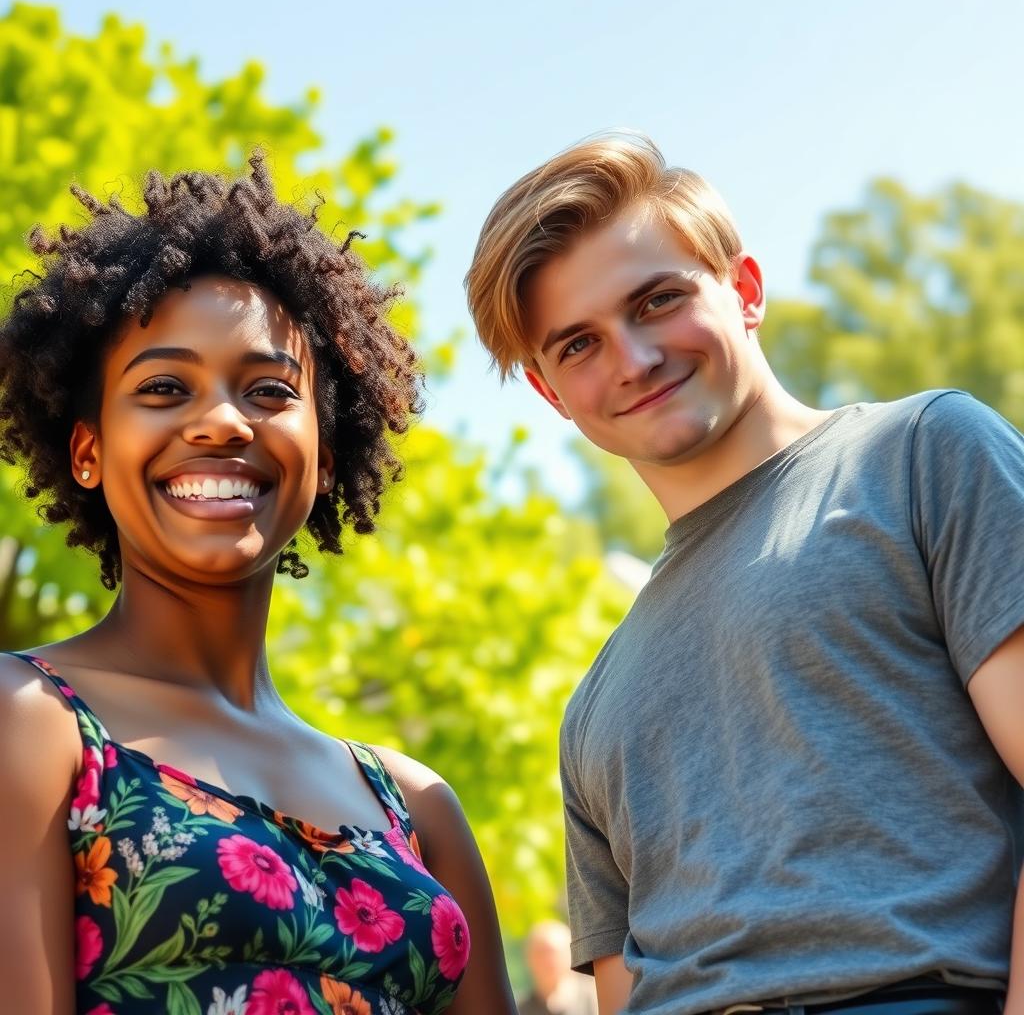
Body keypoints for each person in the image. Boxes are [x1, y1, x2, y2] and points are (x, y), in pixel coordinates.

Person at [465, 133, 1024, 1015]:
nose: (633, 358)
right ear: (549, 392)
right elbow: (622, 992)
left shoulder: (921, 457)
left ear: (746, 289)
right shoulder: (594, 709)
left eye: (657, 300)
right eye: (578, 345)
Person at [0, 155, 517, 1014]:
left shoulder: (419, 805)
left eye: (270, 390)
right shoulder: (31, 723)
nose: (223, 421)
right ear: (87, 451)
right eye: (164, 387)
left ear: (324, 443)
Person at [518, 920, 597, 1015]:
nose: (547, 960)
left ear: (570, 955)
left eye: (552, 952)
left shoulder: (596, 999)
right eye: (540, 953)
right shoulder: (519, 1009)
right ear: (529, 959)